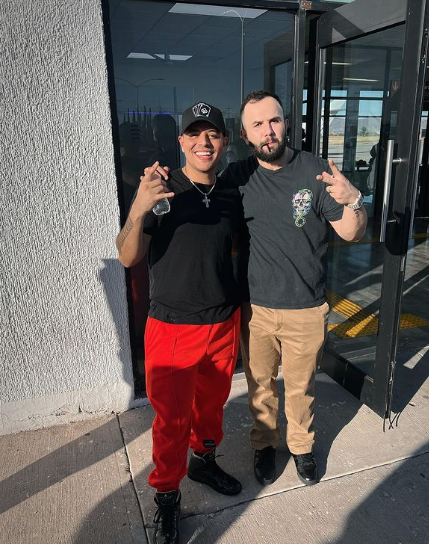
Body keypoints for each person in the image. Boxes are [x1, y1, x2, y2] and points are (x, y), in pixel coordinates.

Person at [221, 90, 367, 488]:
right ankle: (264, 444)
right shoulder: (237, 177)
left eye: (274, 120)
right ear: (245, 135)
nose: (268, 131)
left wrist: (354, 200)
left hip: (306, 306)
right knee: (260, 387)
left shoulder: (315, 171)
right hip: (256, 309)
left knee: (301, 388)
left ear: (286, 123)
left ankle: (301, 447)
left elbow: (352, 232)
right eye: (257, 124)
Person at [116, 102, 243, 544]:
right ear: (181, 141)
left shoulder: (231, 194)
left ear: (224, 141)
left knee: (210, 410)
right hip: (171, 327)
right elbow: (127, 256)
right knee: (171, 422)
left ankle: (203, 463)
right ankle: (167, 496)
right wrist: (138, 207)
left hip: (223, 322)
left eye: (213, 134)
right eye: (195, 134)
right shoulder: (161, 189)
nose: (204, 142)